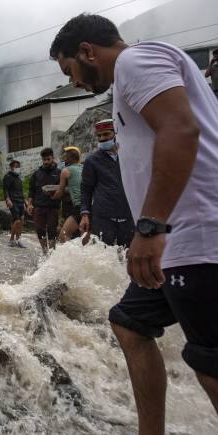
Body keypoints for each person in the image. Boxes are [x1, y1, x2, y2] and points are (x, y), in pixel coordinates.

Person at [51, 14, 218, 434]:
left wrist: (151, 226)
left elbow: (180, 130)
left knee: (210, 362)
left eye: (69, 69)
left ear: (88, 51)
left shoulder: (134, 63)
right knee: (128, 322)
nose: (73, 81)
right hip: (176, 237)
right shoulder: (147, 68)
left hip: (194, 234)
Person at [79, 119, 134, 247]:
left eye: (106, 134)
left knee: (128, 257)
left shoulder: (129, 156)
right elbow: (86, 189)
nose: (102, 138)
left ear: (116, 134)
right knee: (104, 257)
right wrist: (85, 214)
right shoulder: (92, 161)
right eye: (99, 135)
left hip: (129, 216)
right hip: (103, 218)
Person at [27, 148, 61, 255]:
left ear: (52, 158)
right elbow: (31, 191)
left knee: (52, 230)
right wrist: (29, 204)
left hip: (53, 207)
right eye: (44, 159)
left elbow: (63, 189)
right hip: (39, 207)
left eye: (48, 159)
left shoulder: (59, 173)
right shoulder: (36, 174)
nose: (46, 162)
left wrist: (54, 193)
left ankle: (52, 253)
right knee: (39, 230)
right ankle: (45, 252)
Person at [51, 147, 83, 243]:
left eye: (65, 157)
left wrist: (52, 196)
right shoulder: (83, 168)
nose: (63, 159)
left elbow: (60, 192)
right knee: (84, 236)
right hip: (92, 205)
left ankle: (72, 257)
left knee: (63, 235)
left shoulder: (65, 171)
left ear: (69, 158)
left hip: (78, 206)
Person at [3, 160, 26, 248]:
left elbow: (21, 191)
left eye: (18, 166)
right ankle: (11, 240)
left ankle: (18, 240)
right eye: (16, 166)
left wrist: (25, 201)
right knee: (17, 221)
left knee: (22, 221)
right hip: (13, 201)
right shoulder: (8, 176)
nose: (17, 168)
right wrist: (8, 199)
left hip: (20, 201)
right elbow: (5, 189)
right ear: (12, 167)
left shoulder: (18, 178)